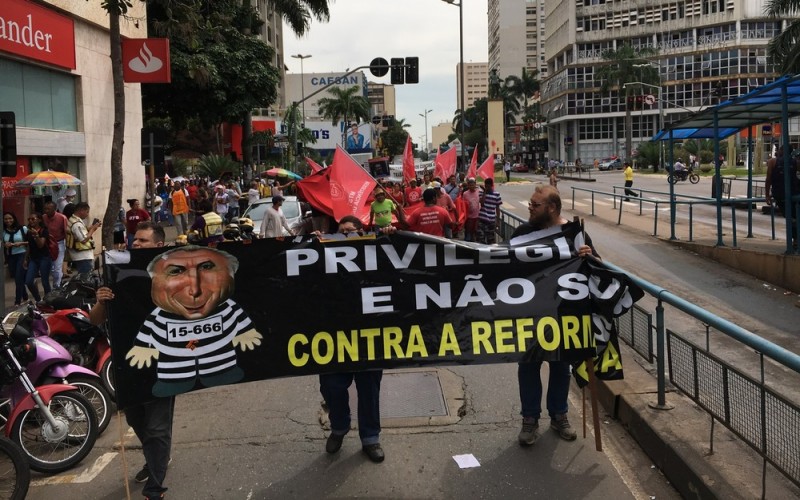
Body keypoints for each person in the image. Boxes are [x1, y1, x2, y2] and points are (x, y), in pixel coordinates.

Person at [91, 222, 172, 500]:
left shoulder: (173, 276)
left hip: (165, 363)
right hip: (128, 364)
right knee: (139, 421)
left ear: (158, 246)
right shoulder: (117, 273)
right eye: (134, 240)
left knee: (158, 427)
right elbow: (95, 320)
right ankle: (154, 460)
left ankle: (155, 488)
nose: (135, 244)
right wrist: (102, 301)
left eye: (142, 241)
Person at [513, 184, 598, 447]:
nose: (530, 207)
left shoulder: (575, 233)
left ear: (551, 208)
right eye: (530, 203)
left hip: (563, 316)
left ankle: (559, 415)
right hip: (530, 315)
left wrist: (590, 256)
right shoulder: (523, 232)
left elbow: (597, 270)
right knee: (528, 366)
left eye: (535, 205)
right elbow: (502, 267)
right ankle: (530, 419)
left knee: (561, 367)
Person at [317, 216, 385, 463]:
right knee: (331, 386)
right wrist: (309, 245)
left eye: (350, 232)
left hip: (369, 338)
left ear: (362, 233)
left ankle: (370, 438)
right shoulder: (323, 255)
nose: (344, 236)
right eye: (340, 232)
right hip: (334, 339)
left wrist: (390, 237)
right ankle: (339, 426)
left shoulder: (377, 252)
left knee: (369, 390)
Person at [765, 145, 799, 246]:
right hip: (794, 193)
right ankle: (796, 239)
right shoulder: (795, 162)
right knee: (795, 216)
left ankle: (796, 239)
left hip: (779, 194)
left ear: (781, 151)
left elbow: (768, 179)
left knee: (789, 217)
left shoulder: (772, 162)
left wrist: (767, 195)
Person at [23, 213, 52, 302]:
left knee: (45, 282)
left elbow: (40, 245)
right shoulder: (28, 231)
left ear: (39, 220)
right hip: (33, 259)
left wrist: (36, 235)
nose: (30, 221)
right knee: (28, 281)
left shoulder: (44, 231)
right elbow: (29, 246)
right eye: (29, 219)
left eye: (33, 219)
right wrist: (25, 258)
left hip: (44, 257)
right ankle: (38, 299)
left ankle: (48, 300)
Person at [67, 202, 101, 274]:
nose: (87, 214)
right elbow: (83, 239)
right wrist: (93, 229)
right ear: (81, 210)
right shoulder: (76, 223)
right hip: (82, 256)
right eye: (87, 212)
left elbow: (82, 232)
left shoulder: (73, 219)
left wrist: (92, 227)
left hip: (80, 255)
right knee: (85, 277)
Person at [4, 212, 29, 305]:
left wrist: (21, 243)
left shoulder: (23, 229)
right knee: (17, 278)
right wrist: (5, 244)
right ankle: (25, 296)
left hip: (22, 255)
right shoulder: (4, 231)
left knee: (18, 278)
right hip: (11, 256)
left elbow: (30, 241)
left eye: (10, 218)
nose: (8, 221)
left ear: (14, 219)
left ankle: (17, 301)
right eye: (6, 219)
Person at [43, 201, 69, 288]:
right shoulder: (43, 217)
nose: (46, 211)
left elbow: (66, 232)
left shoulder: (62, 218)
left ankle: (56, 286)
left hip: (59, 243)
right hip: (47, 243)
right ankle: (55, 285)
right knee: (51, 268)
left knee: (57, 267)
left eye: (48, 209)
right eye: (45, 209)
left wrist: (67, 246)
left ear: (54, 209)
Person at [477, 178, 502, 244]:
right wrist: (484, 192)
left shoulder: (497, 194)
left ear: (491, 185)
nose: (487, 188)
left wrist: (498, 221)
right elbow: (482, 203)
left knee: (490, 240)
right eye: (486, 186)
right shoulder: (481, 193)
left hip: (491, 221)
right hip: (481, 219)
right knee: (480, 239)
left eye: (488, 186)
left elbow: (497, 208)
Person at [462, 178, 481, 242]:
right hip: (468, 217)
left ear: (475, 185)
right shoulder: (465, 194)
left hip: (477, 216)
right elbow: (463, 204)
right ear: (468, 185)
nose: (471, 186)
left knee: (475, 231)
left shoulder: (478, 192)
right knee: (468, 231)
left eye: (473, 185)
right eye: (470, 185)